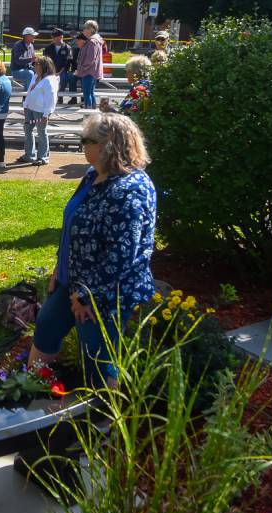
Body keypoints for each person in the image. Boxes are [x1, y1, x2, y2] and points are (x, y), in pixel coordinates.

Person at [28, 113, 156, 389]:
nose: (81, 146)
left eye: (85, 140)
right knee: (47, 326)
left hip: (106, 294)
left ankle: (103, 424)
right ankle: (31, 390)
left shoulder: (130, 190)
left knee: (98, 358)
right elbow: (73, 227)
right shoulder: (92, 176)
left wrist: (88, 296)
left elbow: (124, 254)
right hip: (72, 282)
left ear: (106, 145)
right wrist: (59, 270)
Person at [17, 56, 58, 166]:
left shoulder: (49, 80)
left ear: (44, 66)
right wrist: (25, 105)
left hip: (41, 111)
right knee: (27, 130)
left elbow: (51, 98)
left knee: (41, 133)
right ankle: (29, 155)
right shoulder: (35, 76)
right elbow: (30, 91)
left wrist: (46, 114)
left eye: (37, 64)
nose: (34, 65)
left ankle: (43, 157)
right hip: (31, 108)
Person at [75, 20, 103, 109]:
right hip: (92, 72)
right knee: (90, 93)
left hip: (88, 72)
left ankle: (89, 114)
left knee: (87, 94)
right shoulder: (96, 40)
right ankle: (93, 113)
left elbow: (90, 59)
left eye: (86, 28)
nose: (84, 30)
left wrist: (81, 69)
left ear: (91, 30)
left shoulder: (92, 42)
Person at [43, 28, 72, 104]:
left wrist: (59, 73)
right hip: (50, 70)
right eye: (53, 37)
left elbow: (67, 63)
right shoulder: (48, 48)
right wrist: (51, 71)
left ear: (61, 37)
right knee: (46, 79)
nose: (53, 39)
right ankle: (49, 97)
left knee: (64, 78)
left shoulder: (68, 48)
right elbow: (46, 61)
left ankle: (60, 96)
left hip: (62, 71)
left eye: (56, 37)